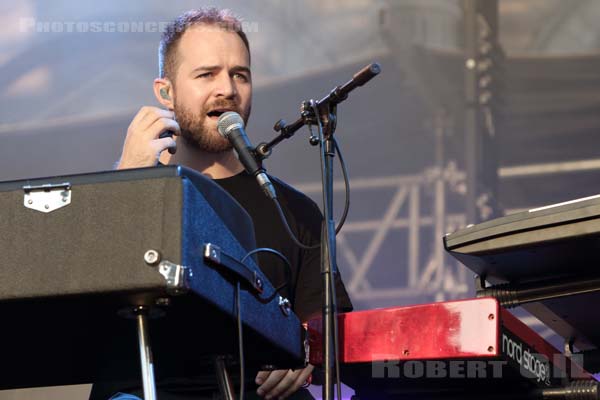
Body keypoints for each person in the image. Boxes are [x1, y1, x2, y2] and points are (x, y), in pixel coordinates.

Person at [89, 7, 352, 400]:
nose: (227, 89)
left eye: (239, 75)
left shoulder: (292, 210)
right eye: (206, 74)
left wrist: (305, 351)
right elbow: (83, 305)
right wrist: (126, 182)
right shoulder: (126, 192)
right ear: (165, 92)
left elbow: (329, 325)